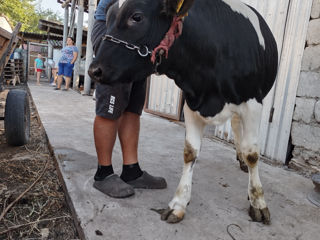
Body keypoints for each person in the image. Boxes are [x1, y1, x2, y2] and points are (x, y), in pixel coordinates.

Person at [91, 0, 167, 198]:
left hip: (139, 20)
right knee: (111, 104)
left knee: (133, 107)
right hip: (114, 18)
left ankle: (131, 171)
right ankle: (103, 173)